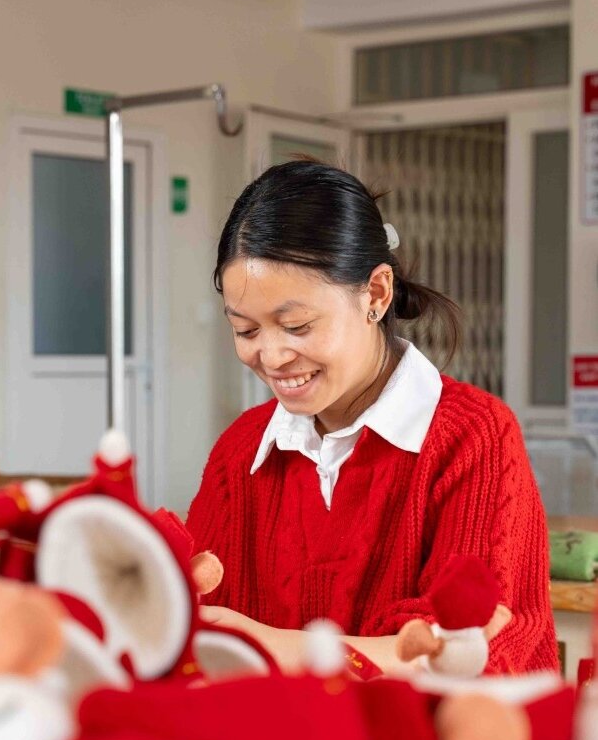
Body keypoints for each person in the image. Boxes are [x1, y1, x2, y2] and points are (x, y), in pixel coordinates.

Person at [186, 159, 558, 676]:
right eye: (246, 331)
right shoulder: (240, 451)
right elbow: (189, 626)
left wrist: (265, 645)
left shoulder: (474, 438)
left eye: (296, 325)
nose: (270, 357)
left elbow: (467, 656)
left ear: (376, 295)